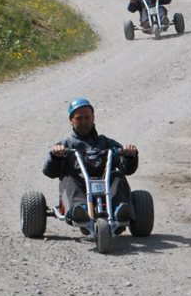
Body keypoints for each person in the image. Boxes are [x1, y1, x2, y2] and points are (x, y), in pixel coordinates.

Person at [42, 98, 138, 229]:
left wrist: (129, 155)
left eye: (87, 117)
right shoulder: (65, 145)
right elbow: (49, 172)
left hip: (106, 188)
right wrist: (56, 156)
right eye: (79, 118)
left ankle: (119, 209)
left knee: (117, 175)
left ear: (93, 118)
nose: (83, 122)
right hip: (78, 187)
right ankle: (80, 209)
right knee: (69, 177)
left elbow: (127, 169)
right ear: (71, 120)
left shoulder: (106, 143)